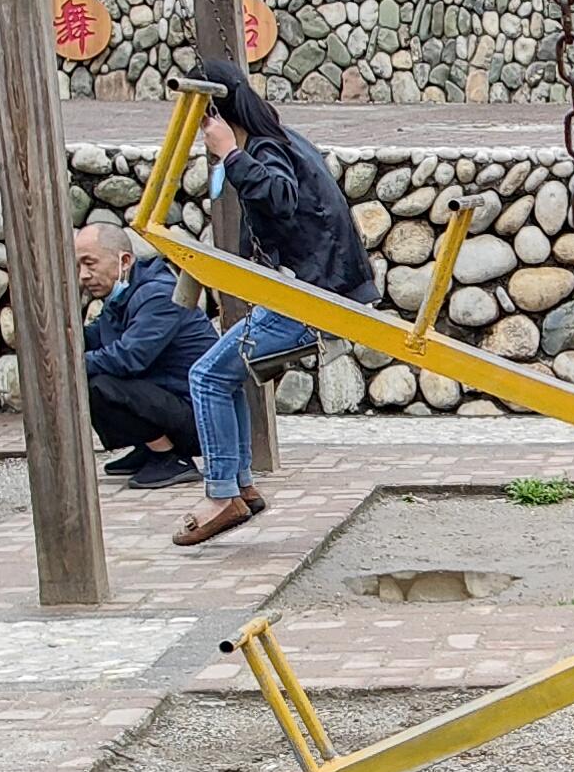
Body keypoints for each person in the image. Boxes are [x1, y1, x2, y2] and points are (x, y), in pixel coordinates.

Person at [180, 70, 376, 551]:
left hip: (311, 295)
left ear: (214, 117)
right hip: (317, 286)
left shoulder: (264, 150)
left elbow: (279, 197)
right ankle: (239, 486)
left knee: (206, 377)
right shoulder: (282, 140)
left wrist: (230, 154)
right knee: (222, 376)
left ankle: (223, 494)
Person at [73, 216, 216, 490]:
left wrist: (70, 365)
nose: (83, 276)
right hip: (172, 402)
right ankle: (150, 447)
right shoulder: (123, 295)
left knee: (99, 385)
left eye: (90, 264)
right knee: (92, 373)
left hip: (201, 417)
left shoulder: (158, 294)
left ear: (124, 261)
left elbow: (128, 358)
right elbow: (94, 338)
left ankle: (170, 457)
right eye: (79, 266)